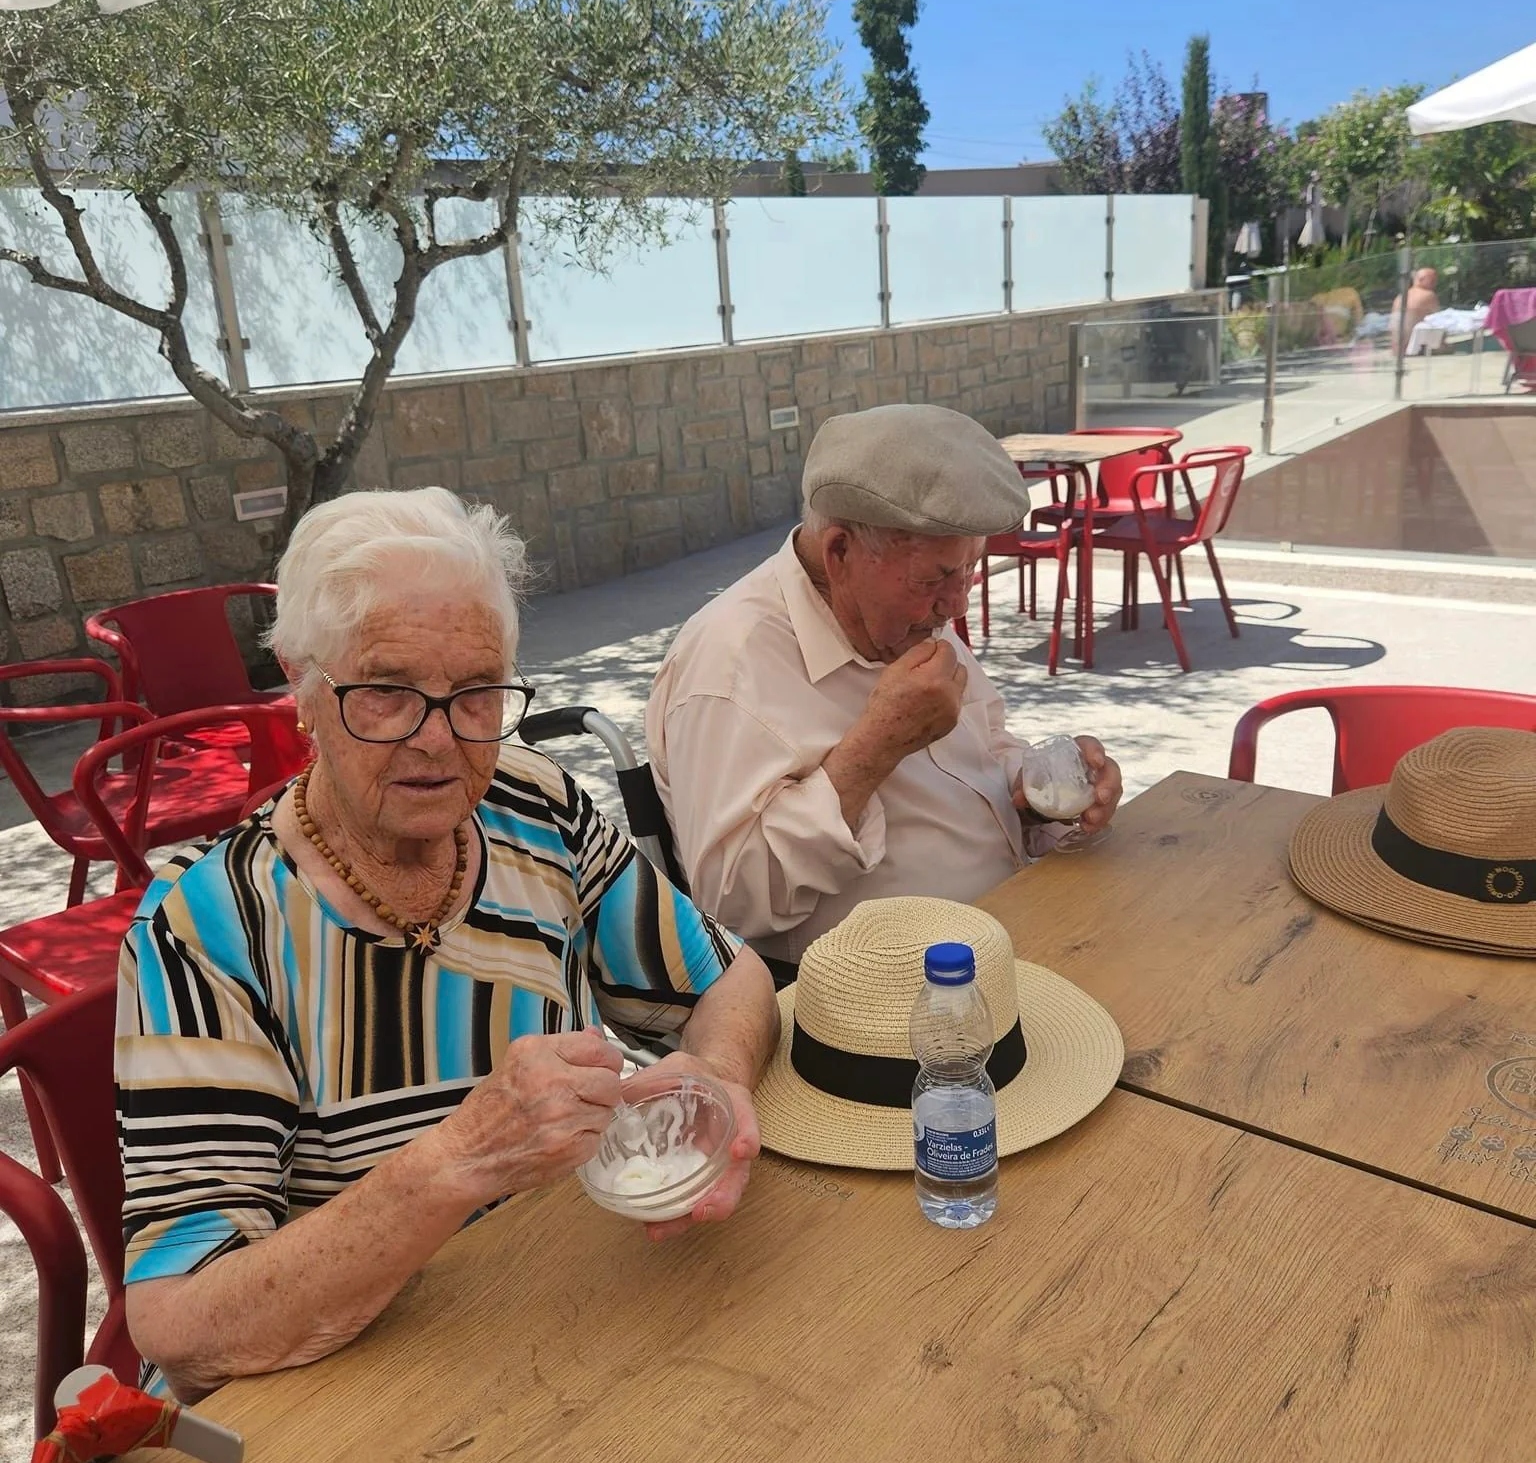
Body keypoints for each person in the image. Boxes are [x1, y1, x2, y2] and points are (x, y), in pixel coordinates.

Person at [117, 487, 777, 1403]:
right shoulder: (208, 926)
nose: (439, 739)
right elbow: (182, 1325)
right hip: (345, 1392)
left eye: (475, 693)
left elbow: (729, 976)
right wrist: (460, 1161)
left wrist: (718, 1087)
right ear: (302, 686)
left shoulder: (535, 808)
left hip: (557, 1321)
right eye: (385, 692)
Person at [645, 403, 1123, 971]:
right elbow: (732, 904)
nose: (956, 604)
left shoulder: (909, 615)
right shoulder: (729, 667)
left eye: (969, 569)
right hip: (880, 1001)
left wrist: (1038, 792)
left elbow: (987, 746)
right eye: (934, 578)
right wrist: (877, 746)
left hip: (1014, 930)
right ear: (840, 551)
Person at [1390, 267, 1440, 351]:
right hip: (1415, 348)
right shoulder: (1429, 295)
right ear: (1421, 279)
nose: (1435, 284)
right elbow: (1438, 321)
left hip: (1397, 349)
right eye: (1432, 281)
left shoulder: (1401, 296)